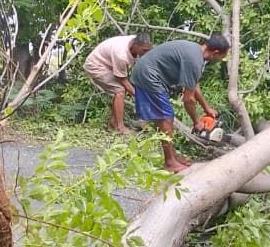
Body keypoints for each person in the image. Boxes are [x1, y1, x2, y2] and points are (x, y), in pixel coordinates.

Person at [129, 33, 230, 172]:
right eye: (222, 57)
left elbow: (193, 85)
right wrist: (196, 122)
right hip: (148, 75)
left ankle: (172, 156)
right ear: (216, 52)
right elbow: (188, 99)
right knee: (166, 117)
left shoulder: (195, 52)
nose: (220, 60)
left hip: (145, 71)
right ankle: (170, 162)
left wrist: (207, 109)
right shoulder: (194, 60)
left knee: (162, 118)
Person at [83, 32, 153, 132]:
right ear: (135, 45)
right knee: (120, 90)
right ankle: (120, 127)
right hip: (96, 66)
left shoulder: (136, 41)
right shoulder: (121, 55)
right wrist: (139, 97)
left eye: (148, 50)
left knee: (122, 90)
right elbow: (121, 79)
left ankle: (113, 122)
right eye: (144, 50)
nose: (146, 53)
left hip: (108, 65)